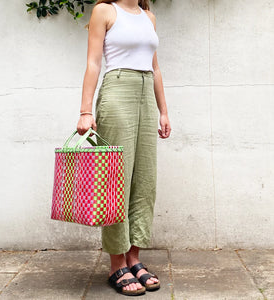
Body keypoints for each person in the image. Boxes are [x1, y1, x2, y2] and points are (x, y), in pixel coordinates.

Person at [76, 0, 171, 296]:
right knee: (115, 181)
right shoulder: (105, 11)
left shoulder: (149, 17)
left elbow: (155, 68)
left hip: (145, 94)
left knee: (144, 180)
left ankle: (134, 258)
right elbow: (93, 62)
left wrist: (164, 111)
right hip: (117, 91)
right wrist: (85, 111)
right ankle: (117, 263)